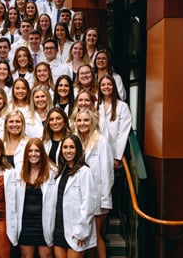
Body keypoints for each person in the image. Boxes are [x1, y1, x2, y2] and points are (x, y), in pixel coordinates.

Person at [75, 108, 114, 258]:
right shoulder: (76, 141)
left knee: (96, 236)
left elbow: (107, 173)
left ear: (92, 122)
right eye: (79, 120)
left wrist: (105, 199)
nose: (82, 123)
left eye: (86, 120)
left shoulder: (101, 141)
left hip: (97, 196)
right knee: (87, 238)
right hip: (80, 196)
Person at [53, 134, 97, 258]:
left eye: (72, 147)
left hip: (76, 230)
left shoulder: (84, 171)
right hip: (59, 228)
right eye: (65, 147)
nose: (68, 151)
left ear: (78, 150)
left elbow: (88, 203)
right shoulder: (61, 171)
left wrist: (82, 231)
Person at [15, 138, 57, 258]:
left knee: (46, 256)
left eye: (37, 151)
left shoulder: (52, 172)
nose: (33, 154)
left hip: (44, 223)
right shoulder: (18, 172)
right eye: (30, 151)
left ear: (42, 153)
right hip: (25, 223)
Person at [97, 74, 132, 169]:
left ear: (114, 86)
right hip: (96, 153)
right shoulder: (96, 106)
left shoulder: (122, 106)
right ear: (99, 88)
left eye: (109, 84)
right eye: (103, 85)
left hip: (114, 153)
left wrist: (117, 157)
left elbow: (123, 133)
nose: (106, 87)